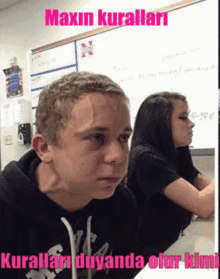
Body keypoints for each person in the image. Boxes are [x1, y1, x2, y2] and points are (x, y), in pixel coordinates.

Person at [0, 72, 140, 279]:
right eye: (97, 137)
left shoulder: (121, 204)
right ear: (45, 148)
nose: (118, 156)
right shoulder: (6, 212)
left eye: (123, 137)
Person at [127, 92, 215, 260]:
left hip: (174, 247)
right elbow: (203, 206)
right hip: (148, 261)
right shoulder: (145, 158)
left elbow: (207, 189)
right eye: (183, 118)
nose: (191, 124)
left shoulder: (175, 153)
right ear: (159, 123)